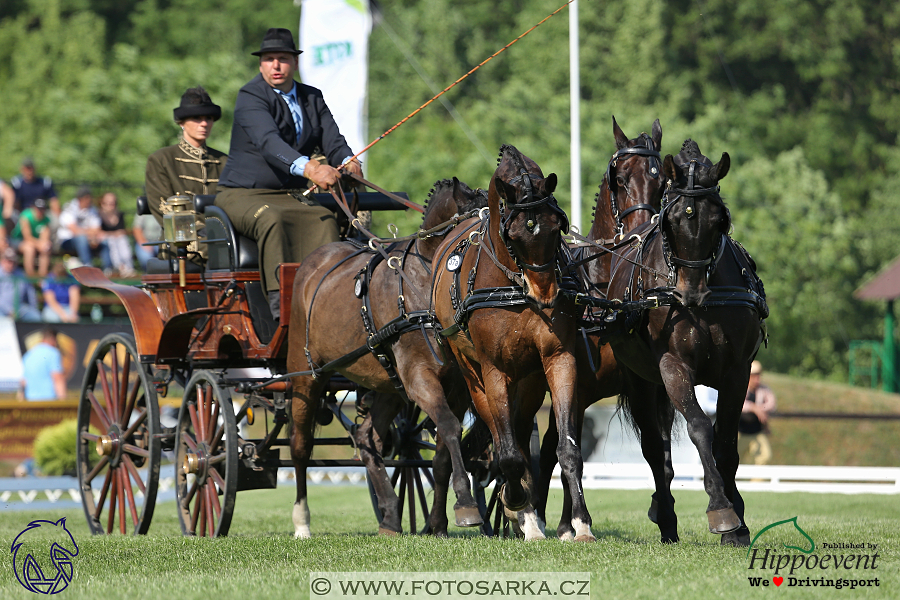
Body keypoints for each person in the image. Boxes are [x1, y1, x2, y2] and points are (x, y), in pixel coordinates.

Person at [216, 28, 362, 320]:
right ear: (261, 65)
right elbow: (270, 143)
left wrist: (349, 161)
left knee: (323, 219)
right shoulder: (250, 96)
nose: (276, 66)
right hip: (241, 193)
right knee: (272, 218)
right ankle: (280, 307)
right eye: (269, 59)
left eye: (282, 58)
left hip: (290, 195)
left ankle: (330, 297)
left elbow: (332, 139)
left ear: (295, 63)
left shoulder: (312, 97)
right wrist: (311, 168)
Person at [145, 86, 227, 223]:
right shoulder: (162, 159)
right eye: (196, 118)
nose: (204, 124)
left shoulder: (224, 161)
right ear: (181, 122)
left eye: (209, 118)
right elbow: (163, 209)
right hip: (182, 239)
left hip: (223, 235)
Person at [57, 185, 110, 271]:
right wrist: (90, 233)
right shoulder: (69, 208)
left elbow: (97, 229)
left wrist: (91, 236)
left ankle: (108, 269)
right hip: (68, 241)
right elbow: (74, 230)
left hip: (89, 239)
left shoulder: (92, 210)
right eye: (87, 198)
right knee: (81, 239)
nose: (89, 200)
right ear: (81, 199)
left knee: (104, 240)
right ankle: (88, 267)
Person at [738, 360, 777, 465]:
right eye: (754, 376)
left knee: (765, 456)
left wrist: (760, 408)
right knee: (732, 460)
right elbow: (738, 404)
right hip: (739, 432)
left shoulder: (764, 389)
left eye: (758, 376)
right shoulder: (740, 388)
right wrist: (753, 408)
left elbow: (772, 404)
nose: (757, 379)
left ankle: (756, 482)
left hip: (757, 431)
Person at [8, 158, 60, 228]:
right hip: (23, 212)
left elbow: (54, 201)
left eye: (31, 168)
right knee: (11, 216)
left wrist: (57, 214)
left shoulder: (44, 182)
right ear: (22, 169)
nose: (29, 171)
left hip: (42, 212)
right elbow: (16, 203)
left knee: (56, 221)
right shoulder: (17, 184)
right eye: (27, 168)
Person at [19, 327, 66, 401]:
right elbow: (58, 379)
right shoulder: (53, 353)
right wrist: (63, 402)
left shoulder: (28, 355)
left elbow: (23, 383)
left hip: (30, 402)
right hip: (48, 402)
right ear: (53, 339)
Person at [9, 197, 53, 277]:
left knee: (46, 249)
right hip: (18, 240)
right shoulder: (25, 215)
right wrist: (39, 244)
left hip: (34, 242)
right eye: (38, 209)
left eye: (42, 209)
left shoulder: (45, 219)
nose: (40, 211)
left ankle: (42, 277)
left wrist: (44, 245)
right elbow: (27, 237)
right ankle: (30, 276)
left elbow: (45, 237)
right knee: (29, 249)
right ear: (33, 208)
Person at [98, 192, 136, 277]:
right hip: (106, 239)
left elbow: (122, 231)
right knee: (111, 241)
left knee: (123, 241)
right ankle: (119, 267)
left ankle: (128, 266)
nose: (111, 205)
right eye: (108, 203)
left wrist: (115, 234)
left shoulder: (119, 214)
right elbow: (99, 232)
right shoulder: (98, 215)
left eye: (113, 203)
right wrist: (113, 234)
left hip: (118, 239)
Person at [0, 247, 41, 321]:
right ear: (2, 261)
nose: (11, 264)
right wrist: (9, 310)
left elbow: (30, 293)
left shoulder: (21, 274)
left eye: (13, 261)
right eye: (9, 261)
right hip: (2, 308)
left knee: (35, 316)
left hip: (19, 307)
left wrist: (34, 308)